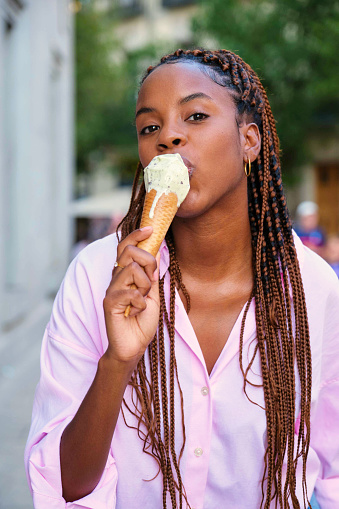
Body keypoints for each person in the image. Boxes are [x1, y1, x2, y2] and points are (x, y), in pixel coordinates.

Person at [24, 49, 339, 509]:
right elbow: (65, 487)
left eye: (194, 115)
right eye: (149, 127)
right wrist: (118, 361)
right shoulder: (96, 277)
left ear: (249, 140)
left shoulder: (314, 289)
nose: (168, 136)